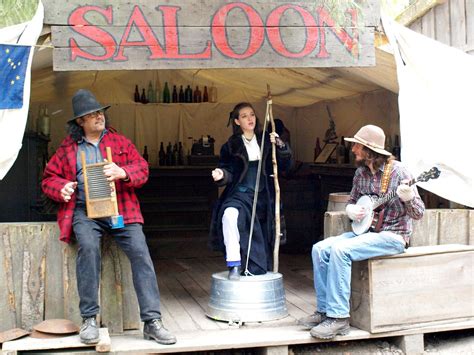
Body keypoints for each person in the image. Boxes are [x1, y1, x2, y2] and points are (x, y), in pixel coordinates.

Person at [42, 89, 176, 345]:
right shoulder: (67, 148)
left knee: (140, 253)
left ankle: (152, 321)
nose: (98, 117)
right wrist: (63, 188)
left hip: (121, 209)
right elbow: (48, 179)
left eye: (100, 112)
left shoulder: (120, 142)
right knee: (89, 249)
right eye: (91, 114)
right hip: (84, 211)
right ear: (80, 122)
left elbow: (142, 169)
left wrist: (123, 172)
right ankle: (89, 319)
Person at [298, 124, 425, 339]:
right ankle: (323, 310)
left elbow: (418, 213)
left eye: (357, 145)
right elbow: (353, 202)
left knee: (340, 250)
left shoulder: (399, 173)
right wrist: (352, 210)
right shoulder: (360, 173)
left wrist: (408, 198)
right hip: (365, 234)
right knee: (319, 249)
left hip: (392, 236)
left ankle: (338, 318)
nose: (354, 149)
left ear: (369, 150)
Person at [209, 102, 292, 280]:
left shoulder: (266, 141)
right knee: (228, 215)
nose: (250, 119)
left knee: (262, 242)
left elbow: (286, 166)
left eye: (252, 115)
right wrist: (221, 174)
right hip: (239, 194)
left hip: (264, 197)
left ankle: (254, 267)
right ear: (237, 121)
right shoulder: (230, 146)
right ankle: (233, 264)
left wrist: (280, 145)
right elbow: (227, 170)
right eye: (244, 116)